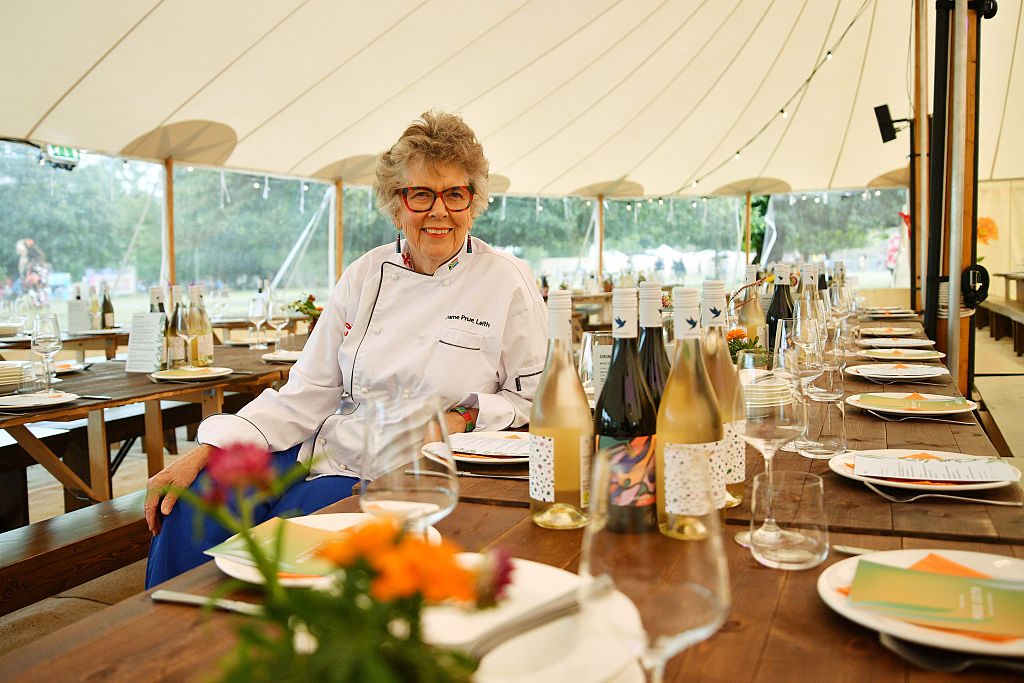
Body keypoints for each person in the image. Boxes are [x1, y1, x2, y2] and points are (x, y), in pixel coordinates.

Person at [145, 111, 548, 587]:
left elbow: (533, 399)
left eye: (455, 194)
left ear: (473, 202)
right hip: (322, 448)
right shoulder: (365, 273)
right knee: (191, 507)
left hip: (406, 472)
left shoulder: (505, 278)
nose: (439, 211)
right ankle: (158, 639)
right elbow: (309, 389)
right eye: (421, 194)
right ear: (396, 204)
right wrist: (211, 449)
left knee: (292, 549)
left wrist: (462, 417)